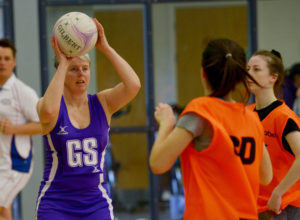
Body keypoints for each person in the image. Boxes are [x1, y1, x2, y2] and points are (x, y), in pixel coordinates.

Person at [149, 38, 273, 220]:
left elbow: (158, 163)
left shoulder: (200, 112)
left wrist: (166, 124)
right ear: (239, 77)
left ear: (203, 73)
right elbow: (266, 177)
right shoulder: (251, 119)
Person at [35, 18, 141, 219]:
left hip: (95, 201)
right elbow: (47, 111)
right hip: (56, 202)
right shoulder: (50, 105)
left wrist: (106, 48)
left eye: (85, 68)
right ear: (63, 71)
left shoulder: (102, 102)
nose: (80, 74)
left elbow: (133, 85)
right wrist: (63, 63)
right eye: (73, 69)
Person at [247, 50, 300, 220]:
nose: (249, 74)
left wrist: (278, 192)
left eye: (256, 69)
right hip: (256, 205)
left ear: (273, 77)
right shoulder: (246, 114)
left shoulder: (283, 117)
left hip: (284, 205)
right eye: (247, 69)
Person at [0, 38, 41, 220]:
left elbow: (44, 125)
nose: (2, 62)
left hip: (15, 164)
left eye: (7, 58)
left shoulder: (23, 92)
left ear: (14, 62)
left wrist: (14, 129)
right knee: (4, 206)